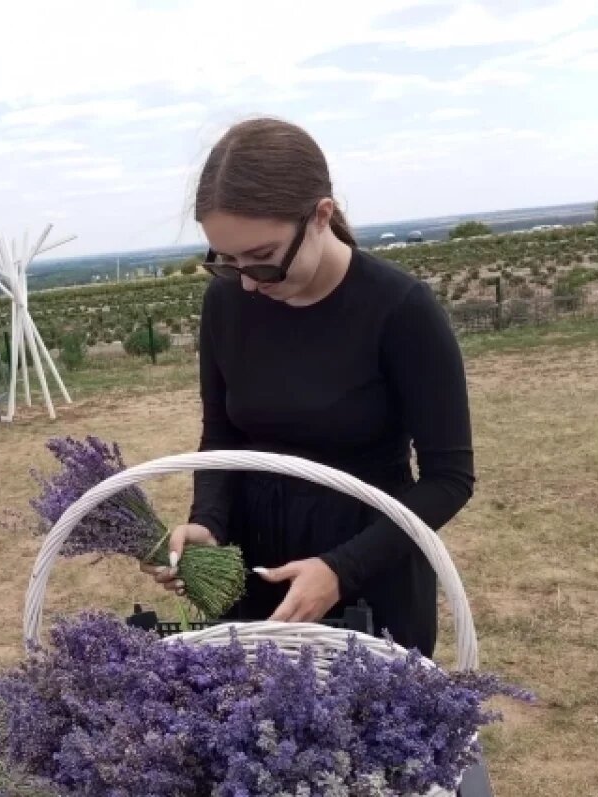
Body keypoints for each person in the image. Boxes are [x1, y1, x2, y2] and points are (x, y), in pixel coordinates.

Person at [142, 117, 475, 657]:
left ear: (321, 216)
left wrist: (340, 571)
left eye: (263, 260)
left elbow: (449, 478)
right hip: (255, 574)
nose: (248, 282)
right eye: (226, 261)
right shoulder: (226, 304)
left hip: (372, 568)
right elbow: (222, 435)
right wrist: (209, 523)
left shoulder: (400, 310)